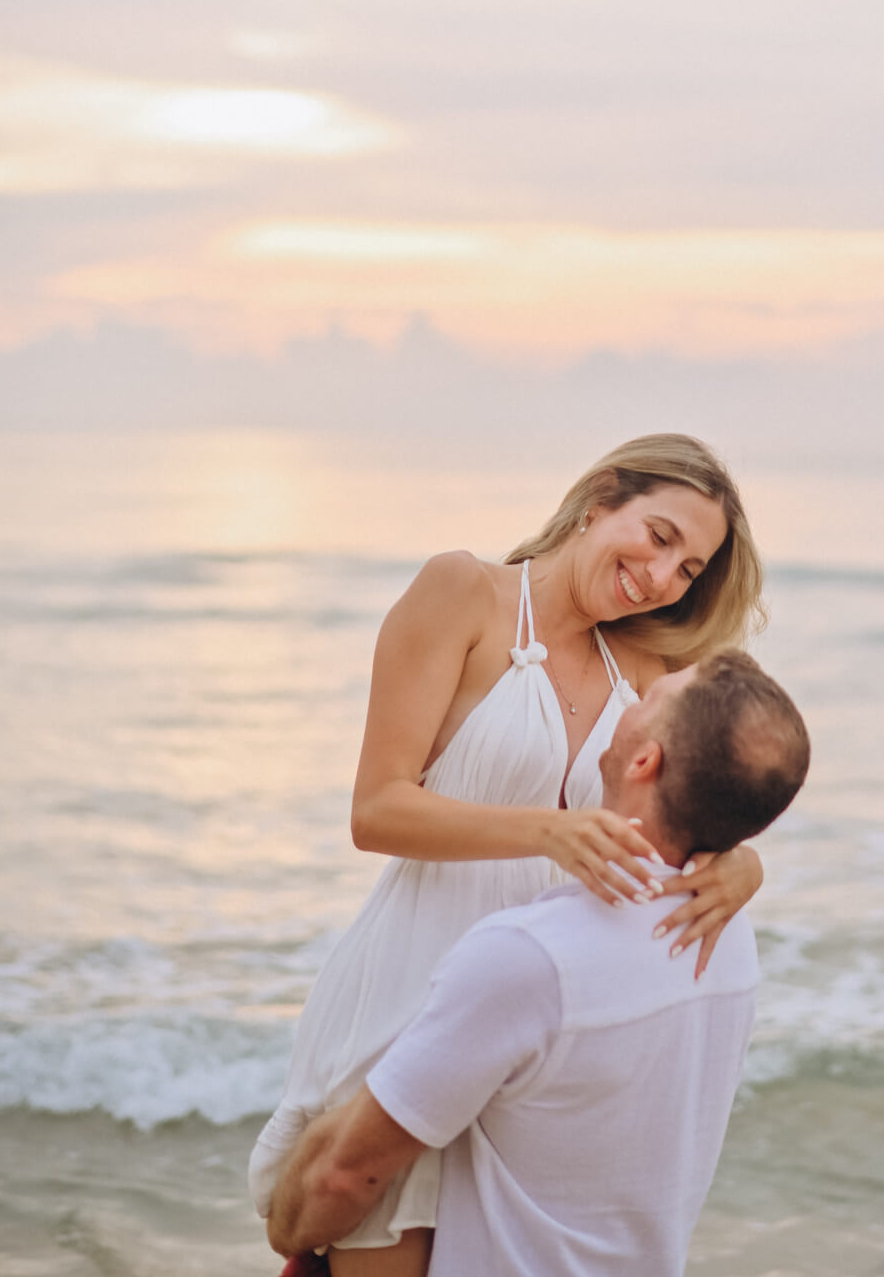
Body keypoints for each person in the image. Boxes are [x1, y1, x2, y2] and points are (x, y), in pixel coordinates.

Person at [250, 435, 769, 1269]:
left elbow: (729, 777)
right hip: (409, 991)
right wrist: (546, 831)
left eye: (688, 569)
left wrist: (742, 863)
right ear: (602, 500)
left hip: (533, 1027)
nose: (663, 575)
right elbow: (377, 809)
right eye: (660, 536)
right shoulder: (462, 592)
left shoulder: (648, 660)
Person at [266, 649, 811, 1274]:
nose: (630, 699)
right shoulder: (730, 940)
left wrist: (290, 1234)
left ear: (644, 759)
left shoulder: (531, 958)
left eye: (650, 700)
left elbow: (344, 1177)